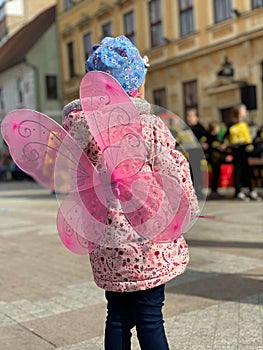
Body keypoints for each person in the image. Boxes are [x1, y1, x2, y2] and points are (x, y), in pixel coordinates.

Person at [62, 36, 199, 350]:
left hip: (106, 240)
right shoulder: (146, 125)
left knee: (117, 315)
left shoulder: (78, 129)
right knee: (150, 317)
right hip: (145, 238)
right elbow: (174, 177)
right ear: (135, 85)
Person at [224, 104, 261, 201]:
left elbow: (251, 137)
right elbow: (226, 139)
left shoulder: (246, 124)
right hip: (236, 151)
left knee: (247, 171)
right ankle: (238, 191)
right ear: (239, 112)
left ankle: (251, 190)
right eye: (244, 110)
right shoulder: (231, 126)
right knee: (238, 171)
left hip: (245, 150)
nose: (246, 112)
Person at [185, 108, 208, 199]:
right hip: (188, 153)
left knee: (197, 172)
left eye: (191, 116)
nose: (189, 118)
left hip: (197, 153)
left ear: (197, 117)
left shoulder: (200, 128)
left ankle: (199, 190)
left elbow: (206, 138)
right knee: (189, 172)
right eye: (188, 116)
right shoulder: (185, 128)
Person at [206, 121, 227, 199]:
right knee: (215, 175)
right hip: (214, 159)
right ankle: (213, 191)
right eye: (218, 128)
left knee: (216, 174)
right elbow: (214, 148)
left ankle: (215, 190)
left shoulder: (216, 137)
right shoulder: (211, 138)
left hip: (217, 159)